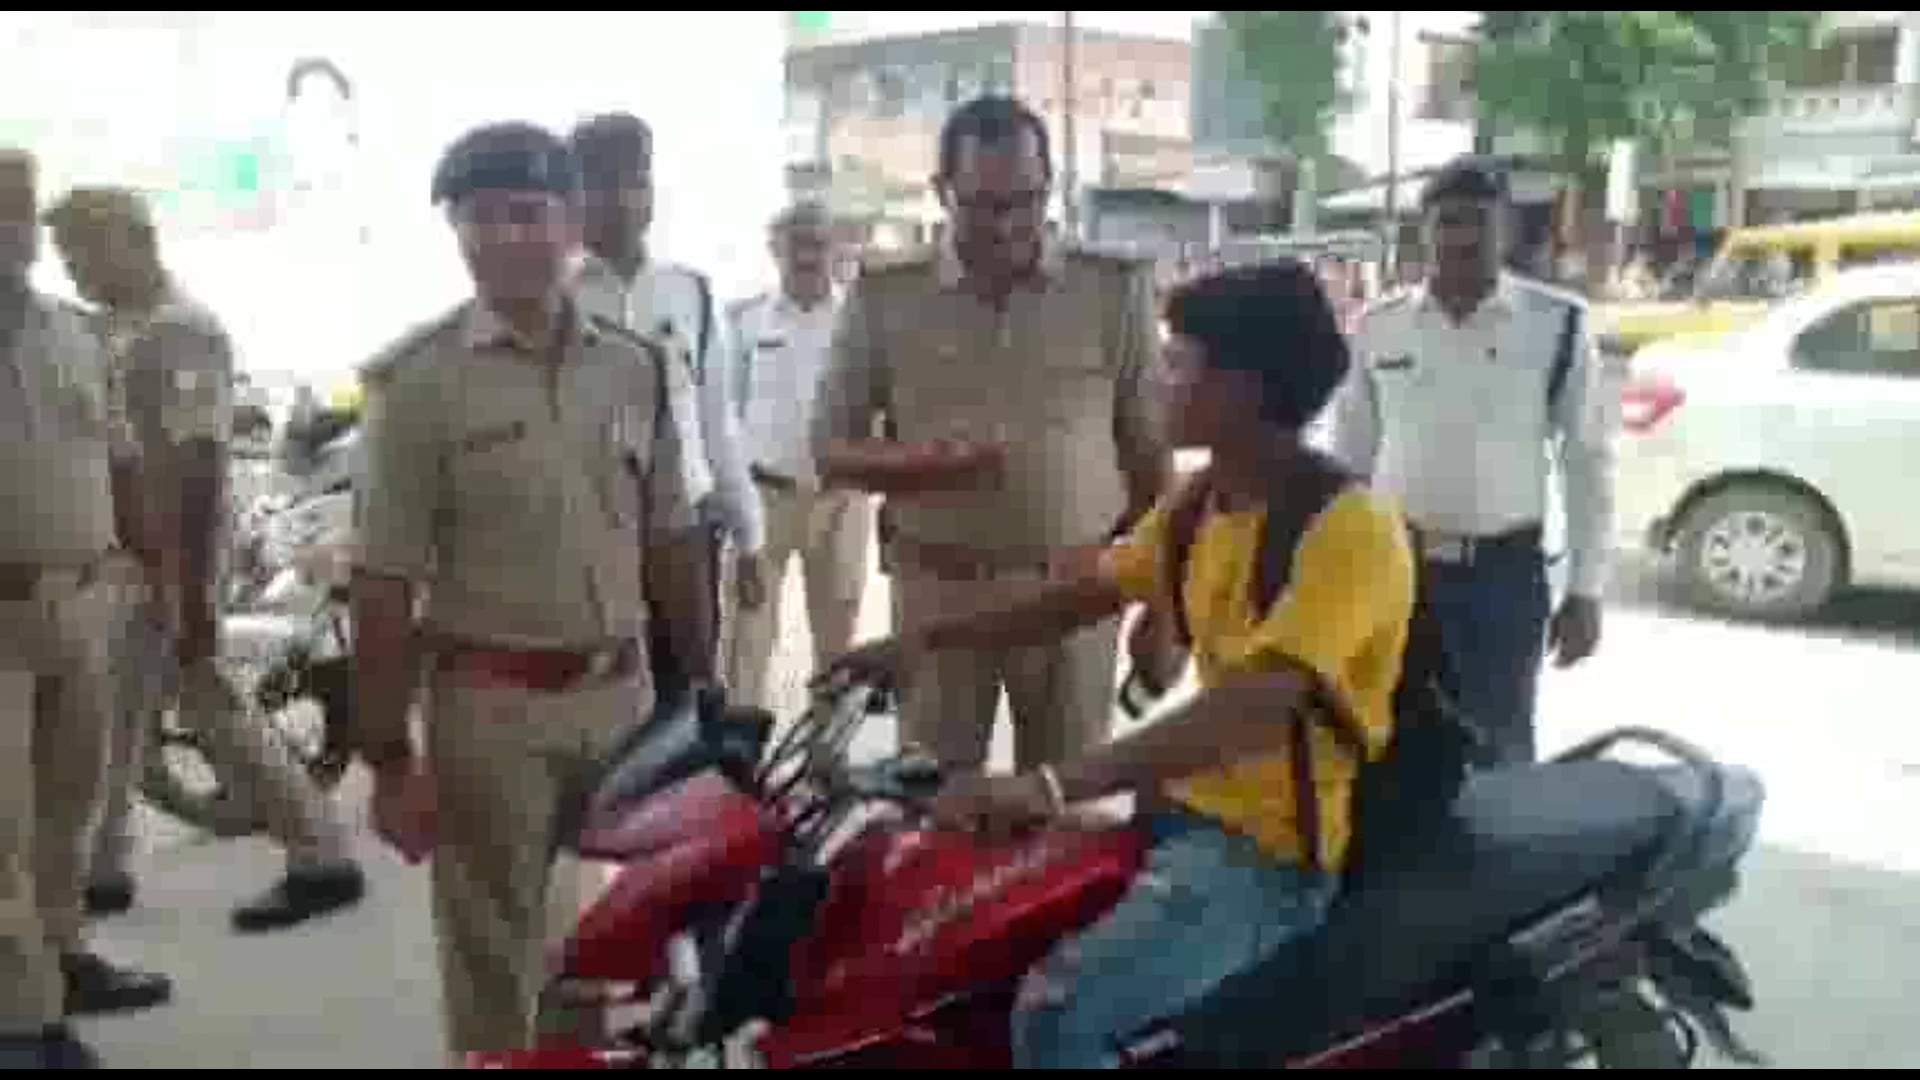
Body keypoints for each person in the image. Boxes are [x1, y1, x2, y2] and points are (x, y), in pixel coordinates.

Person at [827, 260, 1415, 1069]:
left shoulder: (1351, 529)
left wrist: (1048, 786)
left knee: (1056, 1015)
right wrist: (924, 641)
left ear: (1243, 388)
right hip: (1172, 816)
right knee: (950, 939)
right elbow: (1079, 598)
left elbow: (1250, 710)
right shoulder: (1201, 502)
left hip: (1265, 859)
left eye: (1180, 364)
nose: (1160, 383)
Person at [349, 121, 706, 1060]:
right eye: (480, 219)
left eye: (527, 213)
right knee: (493, 958)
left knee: (608, 944)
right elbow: (381, 584)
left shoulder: (634, 365)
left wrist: (702, 694)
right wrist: (389, 759)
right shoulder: (418, 385)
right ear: (456, 234)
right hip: (489, 713)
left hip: (623, 700)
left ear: (571, 221)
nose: (506, 237)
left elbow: (672, 536)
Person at [810, 94, 1172, 772]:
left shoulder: (1112, 291)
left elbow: (1149, 455)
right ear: (941, 191)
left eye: (1025, 201)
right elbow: (829, 448)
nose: (1006, 225)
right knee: (931, 801)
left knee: (1066, 802)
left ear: (1049, 186)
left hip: (1075, 593)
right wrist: (924, 466)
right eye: (981, 205)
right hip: (939, 593)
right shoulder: (887, 295)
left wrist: (1163, 600)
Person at [44, 186, 368, 932]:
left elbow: (198, 464)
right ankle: (102, 867)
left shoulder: (179, 332)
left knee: (206, 701)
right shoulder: (119, 328)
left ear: (132, 241)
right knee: (123, 709)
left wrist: (187, 587)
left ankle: (321, 855)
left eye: (82, 252)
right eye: (65, 255)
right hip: (131, 552)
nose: (74, 270)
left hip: (168, 551)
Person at [1330, 156, 1618, 765]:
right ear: (1425, 231)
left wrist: (1586, 591)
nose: (1461, 237)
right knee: (1383, 739)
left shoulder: (1557, 325)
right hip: (1395, 567)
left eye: (1478, 222)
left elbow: (1588, 464)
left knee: (1499, 747)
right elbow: (1350, 461)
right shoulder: (1379, 327)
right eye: (1448, 222)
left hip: (1502, 578)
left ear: (1505, 229)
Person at [0, 149, 172, 1070]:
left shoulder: (73, 333)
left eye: (21, 210)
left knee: (69, 807)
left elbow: (122, 459)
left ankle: (64, 958)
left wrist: (155, 570)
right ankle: (22, 1026)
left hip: (81, 603)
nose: (15, 229)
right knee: (1, 830)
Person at [566, 111, 766, 701]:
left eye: (637, 181)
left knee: (690, 699)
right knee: (606, 703)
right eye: (602, 183)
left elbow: (716, 427)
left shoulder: (691, 292)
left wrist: (750, 538)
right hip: (593, 537)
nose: (624, 200)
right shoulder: (553, 298)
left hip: (689, 535)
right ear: (573, 195)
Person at [721, 200, 871, 708]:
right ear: (775, 249)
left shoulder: (859, 320)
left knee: (837, 640)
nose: (808, 255)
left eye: (818, 244)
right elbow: (727, 414)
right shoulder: (744, 320)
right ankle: (739, 746)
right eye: (796, 244)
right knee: (747, 635)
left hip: (841, 500)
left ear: (836, 249)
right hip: (764, 499)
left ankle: (825, 748)